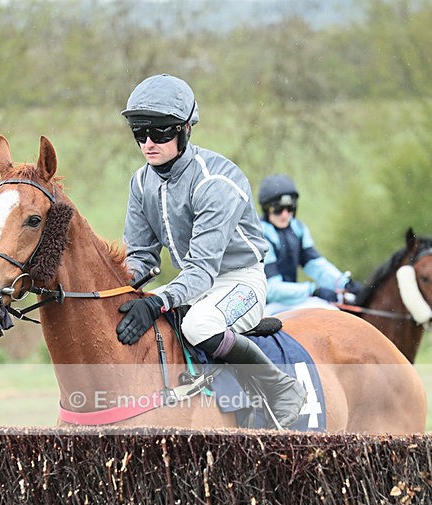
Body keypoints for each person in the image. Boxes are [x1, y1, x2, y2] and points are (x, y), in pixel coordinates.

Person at [115, 74, 306, 428]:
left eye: (159, 133)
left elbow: (202, 272)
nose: (148, 144)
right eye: (140, 134)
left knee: (199, 324)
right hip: (192, 284)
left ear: (186, 129)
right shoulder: (141, 182)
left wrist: (157, 301)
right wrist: (119, 289)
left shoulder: (215, 181)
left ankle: (281, 390)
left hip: (240, 282)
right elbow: (141, 257)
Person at [257, 174, 361, 314]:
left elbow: (315, 264)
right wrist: (313, 290)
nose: (284, 214)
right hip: (266, 305)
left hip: (294, 299)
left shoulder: (298, 228)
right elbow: (272, 289)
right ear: (266, 209)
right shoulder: (259, 235)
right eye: (277, 209)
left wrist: (343, 283)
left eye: (290, 208)